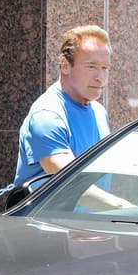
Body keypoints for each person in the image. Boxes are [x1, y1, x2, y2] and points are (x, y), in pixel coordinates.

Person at [15, 24, 114, 184]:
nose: (100, 77)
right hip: (48, 210)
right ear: (65, 65)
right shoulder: (47, 114)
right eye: (91, 66)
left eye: (105, 68)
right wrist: (121, 206)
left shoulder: (98, 111)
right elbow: (70, 184)